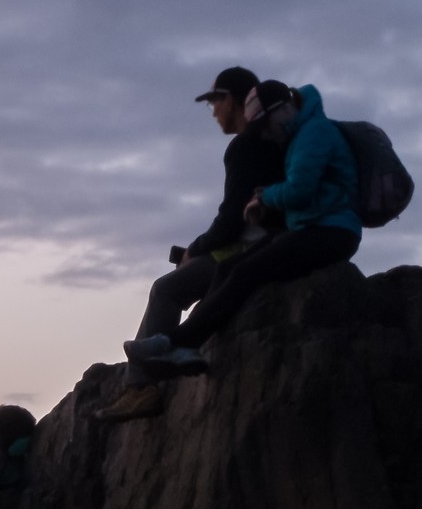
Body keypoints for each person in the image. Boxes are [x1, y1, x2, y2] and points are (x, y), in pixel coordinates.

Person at [123, 81, 361, 377]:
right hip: (308, 229)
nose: (265, 133)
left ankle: (172, 345)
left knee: (246, 272)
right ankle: (185, 347)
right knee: (229, 270)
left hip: (331, 233)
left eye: (265, 125)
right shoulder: (298, 135)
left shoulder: (313, 133)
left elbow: (300, 189)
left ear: (283, 111)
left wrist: (264, 197)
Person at [99, 67, 283, 421]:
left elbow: (232, 219)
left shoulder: (244, 147)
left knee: (166, 290)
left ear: (230, 100)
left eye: (215, 102)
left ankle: (141, 388)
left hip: (252, 248)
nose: (213, 112)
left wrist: (195, 250)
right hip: (276, 243)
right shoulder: (276, 143)